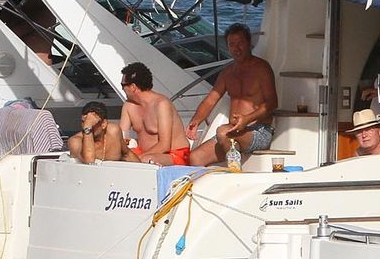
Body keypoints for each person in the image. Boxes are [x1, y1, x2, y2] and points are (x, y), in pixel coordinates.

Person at [186, 23, 278, 166]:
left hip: (258, 131)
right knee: (195, 158)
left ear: (249, 43)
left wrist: (247, 119)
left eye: (240, 43)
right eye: (232, 44)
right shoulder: (227, 73)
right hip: (232, 131)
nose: (236, 48)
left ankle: (235, 172)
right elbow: (211, 99)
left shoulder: (262, 68)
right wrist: (196, 121)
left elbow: (272, 103)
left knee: (222, 132)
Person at [119, 62, 188, 165]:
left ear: (133, 87)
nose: (122, 88)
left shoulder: (161, 104)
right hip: (143, 154)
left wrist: (137, 158)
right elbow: (122, 137)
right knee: (117, 157)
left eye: (123, 85)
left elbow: (165, 145)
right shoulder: (128, 106)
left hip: (173, 154)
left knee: (146, 160)